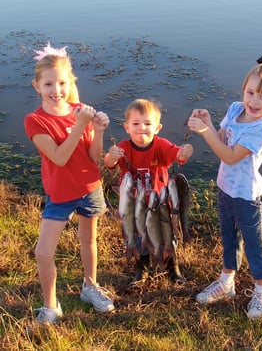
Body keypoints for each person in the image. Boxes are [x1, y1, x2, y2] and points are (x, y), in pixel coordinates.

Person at [188, 56, 262, 318]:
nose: (254, 101)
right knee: (229, 239)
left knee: (255, 244)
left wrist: (204, 133)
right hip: (225, 189)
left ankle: (261, 290)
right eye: (250, 92)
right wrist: (209, 123)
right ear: (243, 89)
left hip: (248, 196)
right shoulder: (235, 109)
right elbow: (223, 140)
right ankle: (226, 282)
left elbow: (230, 156)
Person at [24, 42, 115, 324]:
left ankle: (90, 286)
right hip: (60, 194)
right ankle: (51, 306)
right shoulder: (35, 121)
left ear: (70, 82)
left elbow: (93, 156)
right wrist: (80, 124)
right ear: (37, 85)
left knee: (89, 239)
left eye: (62, 83)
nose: (56, 91)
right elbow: (59, 158)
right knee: (43, 252)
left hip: (90, 188)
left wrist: (97, 130)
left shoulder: (79, 110)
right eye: (49, 84)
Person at [104, 98, 193, 289]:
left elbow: (177, 154)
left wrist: (185, 152)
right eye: (135, 123)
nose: (141, 128)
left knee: (168, 237)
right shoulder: (124, 148)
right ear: (127, 127)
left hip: (160, 206)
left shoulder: (161, 146)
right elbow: (109, 164)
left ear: (158, 127)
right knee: (137, 238)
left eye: (147, 123)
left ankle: (172, 268)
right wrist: (111, 155)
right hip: (134, 208)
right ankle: (141, 269)